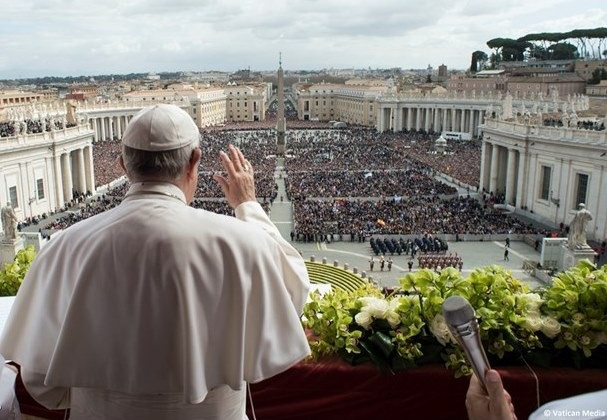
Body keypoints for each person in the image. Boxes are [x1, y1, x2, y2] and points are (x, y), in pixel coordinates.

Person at [0, 104, 311, 420]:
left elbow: (39, 379)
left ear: (123, 165)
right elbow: (294, 293)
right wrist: (248, 206)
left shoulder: (65, 247)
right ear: (194, 161)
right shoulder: (242, 242)